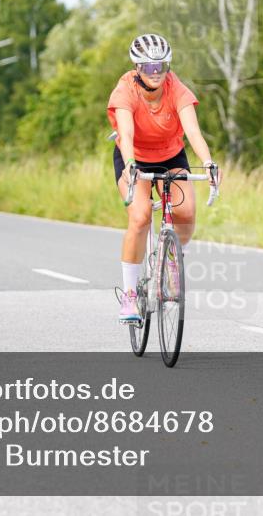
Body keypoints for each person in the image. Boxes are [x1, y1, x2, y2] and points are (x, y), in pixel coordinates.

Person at [106, 33, 221, 323]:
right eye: (148, 67)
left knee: (186, 212)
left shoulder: (176, 88)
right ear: (137, 68)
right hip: (134, 156)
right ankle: (131, 295)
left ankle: (172, 259)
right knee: (141, 217)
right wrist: (131, 164)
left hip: (170, 154)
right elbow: (127, 133)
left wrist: (207, 163)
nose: (155, 73)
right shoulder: (125, 91)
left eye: (161, 66)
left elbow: (193, 131)